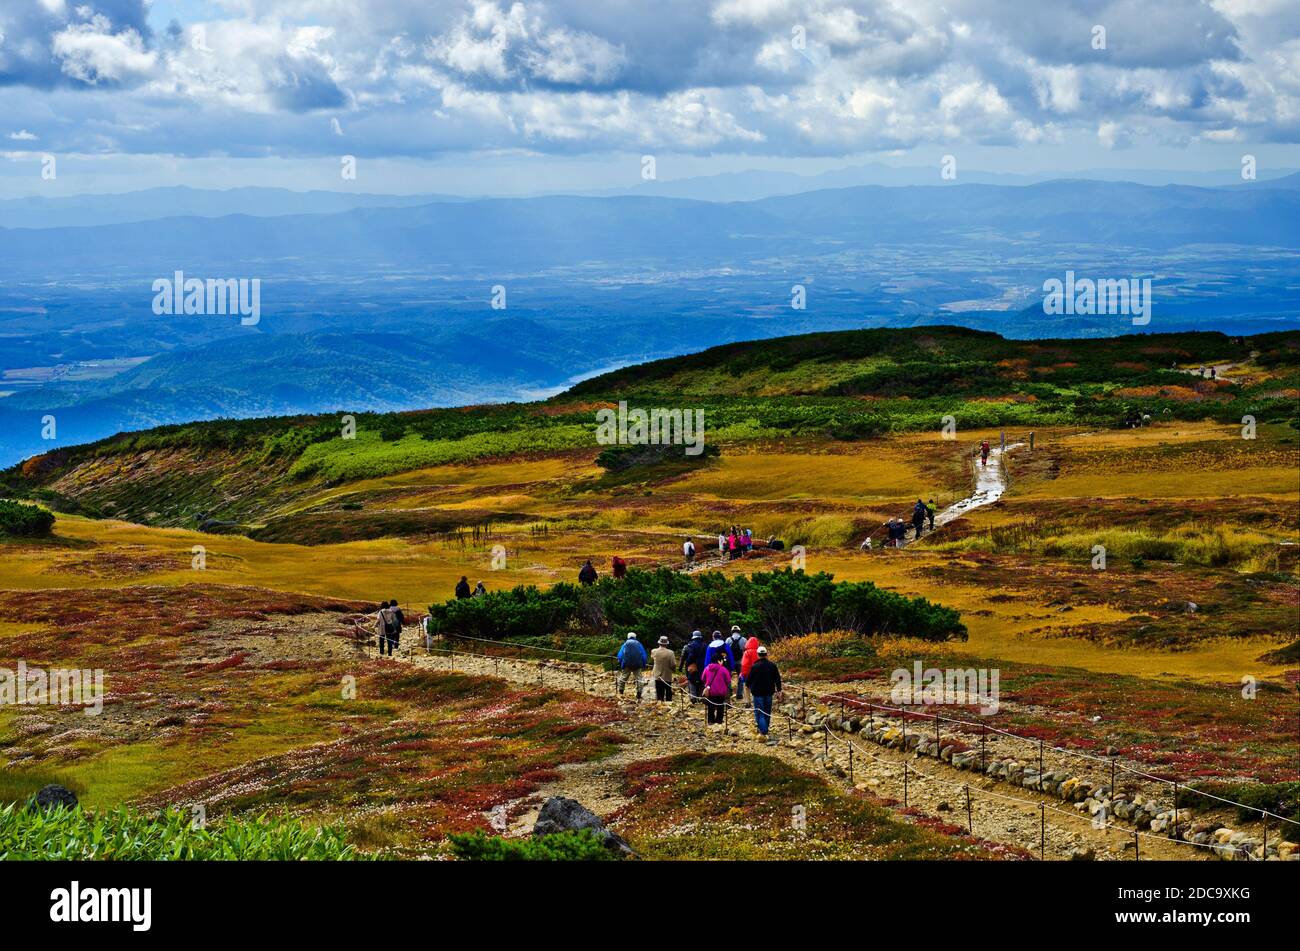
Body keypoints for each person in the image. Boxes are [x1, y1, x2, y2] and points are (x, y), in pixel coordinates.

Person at [746, 646, 783, 738]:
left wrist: (747, 697)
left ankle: (763, 730)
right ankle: (765, 728)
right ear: (766, 654)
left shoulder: (754, 666)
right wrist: (779, 691)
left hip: (757, 693)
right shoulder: (772, 665)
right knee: (767, 711)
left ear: (758, 655)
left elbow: (748, 682)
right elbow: (777, 679)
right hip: (769, 692)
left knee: (759, 712)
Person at [702, 653, 732, 726]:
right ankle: (719, 721)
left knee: (711, 707)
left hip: (710, 692)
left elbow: (702, 678)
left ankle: (711, 721)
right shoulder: (723, 669)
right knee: (720, 707)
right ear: (719, 661)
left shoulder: (707, 668)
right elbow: (728, 680)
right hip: (721, 692)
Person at [616, 632, 647, 699]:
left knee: (623, 677)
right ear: (635, 637)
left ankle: (621, 692)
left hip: (626, 664)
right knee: (639, 679)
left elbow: (620, 655)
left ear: (628, 637)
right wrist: (644, 664)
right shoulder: (639, 644)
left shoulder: (625, 644)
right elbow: (643, 655)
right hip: (637, 665)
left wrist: (620, 662)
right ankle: (639, 694)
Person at [679, 630, 707, 702]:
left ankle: (693, 698)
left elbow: (683, 658)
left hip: (691, 667)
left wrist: (681, 667)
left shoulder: (688, 646)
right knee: (702, 681)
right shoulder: (705, 646)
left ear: (693, 637)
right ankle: (702, 697)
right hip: (703, 667)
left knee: (691, 681)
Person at [651, 636, 676, 702]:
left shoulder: (654, 651)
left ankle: (660, 704)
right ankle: (669, 705)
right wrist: (673, 670)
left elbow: (653, 659)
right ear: (666, 644)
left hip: (657, 675)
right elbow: (673, 664)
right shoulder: (671, 653)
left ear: (659, 643)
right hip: (667, 675)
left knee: (659, 692)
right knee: (668, 691)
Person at [725, 626, 747, 698]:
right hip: (740, 662)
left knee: (728, 677)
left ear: (732, 631)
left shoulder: (728, 640)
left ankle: (729, 692)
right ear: (739, 631)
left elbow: (725, 651)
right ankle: (739, 694)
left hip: (730, 662)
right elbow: (746, 651)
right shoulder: (744, 640)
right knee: (740, 677)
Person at [740, 633, 761, 700]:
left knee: (746, 687)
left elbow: (744, 664)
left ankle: (747, 701)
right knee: (757, 687)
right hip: (758, 673)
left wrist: (743, 674)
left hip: (748, 673)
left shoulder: (747, 652)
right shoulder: (759, 652)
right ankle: (756, 700)